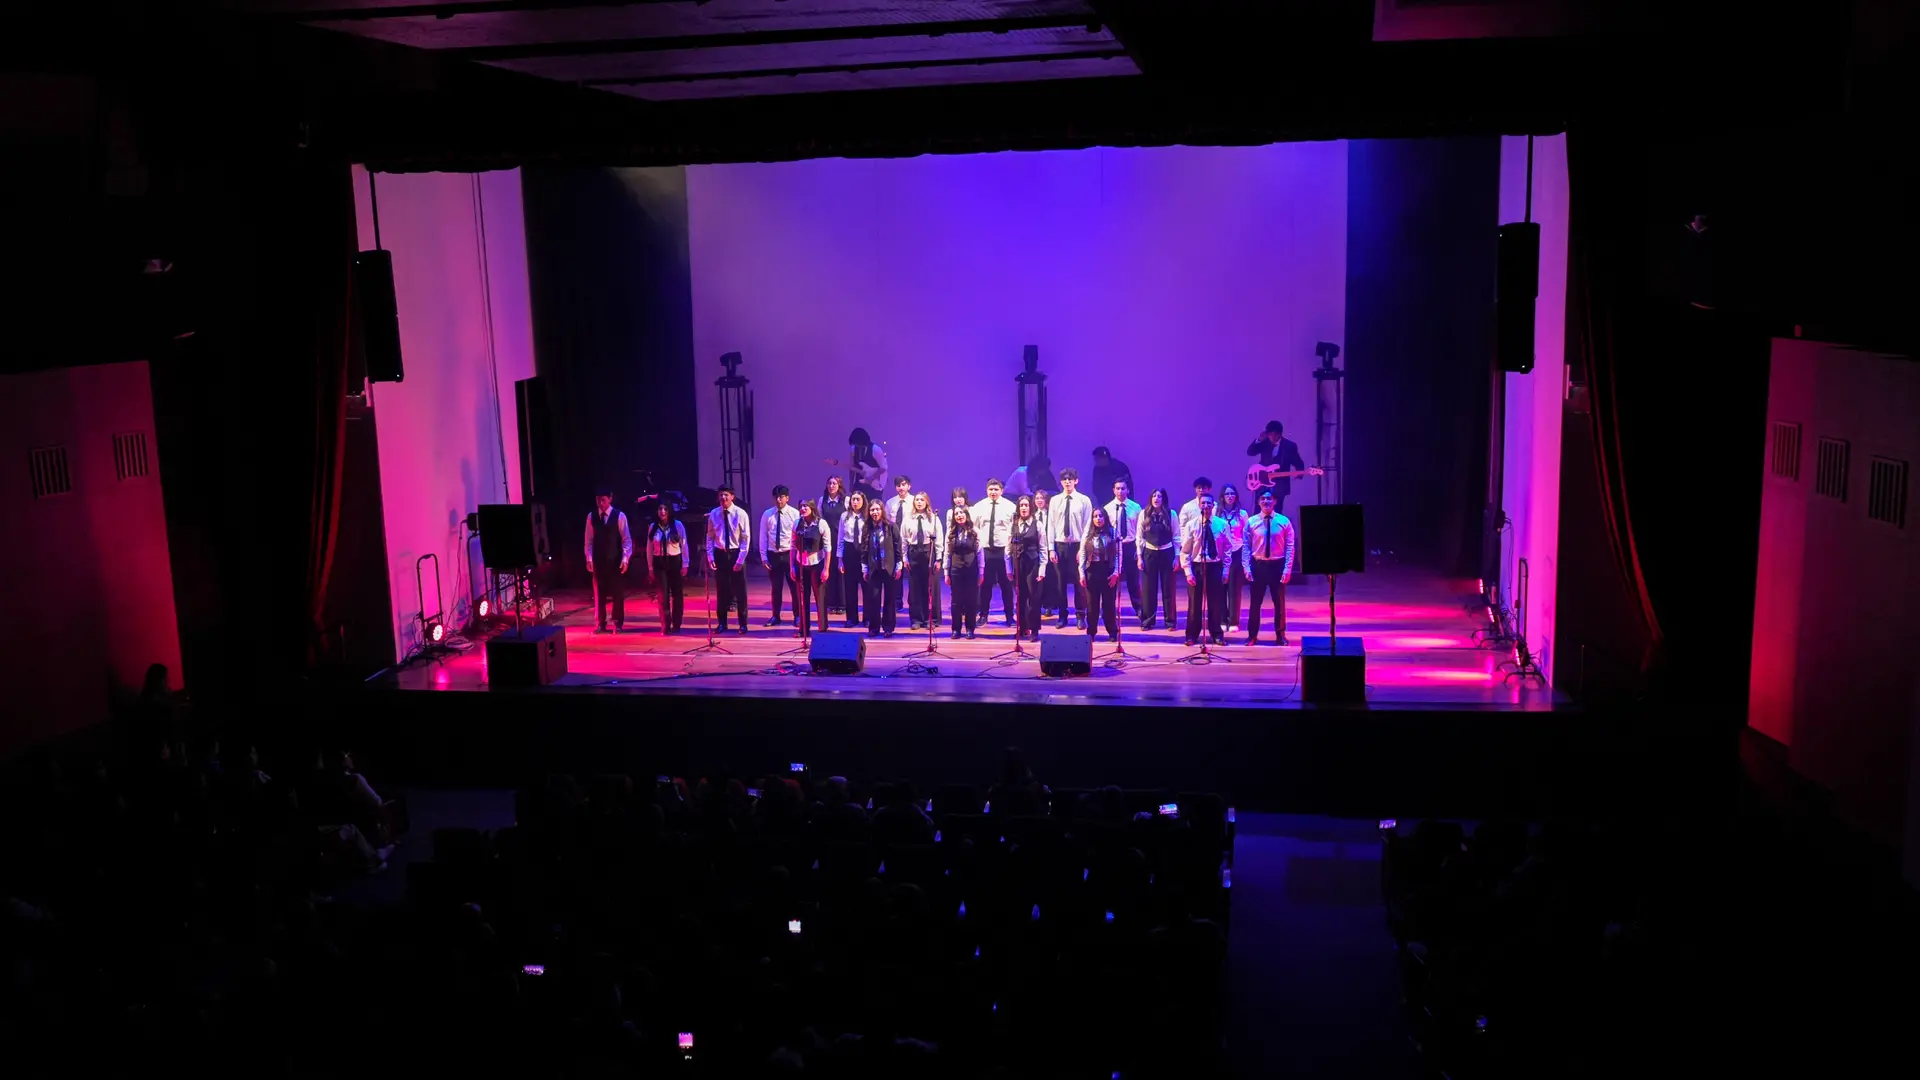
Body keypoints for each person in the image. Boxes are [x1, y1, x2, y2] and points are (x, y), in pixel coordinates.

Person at [1245, 487, 1297, 645]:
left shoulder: (1284, 521)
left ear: (1274, 501)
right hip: (1258, 565)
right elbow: (1246, 547)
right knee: (1255, 603)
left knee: (1279, 603)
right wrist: (1246, 568)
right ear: (1258, 502)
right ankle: (1252, 635)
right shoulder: (1251, 522)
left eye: (1269, 499)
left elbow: (1290, 546)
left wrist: (1287, 569)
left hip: (1277, 565)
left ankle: (1280, 635)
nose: (1266, 501)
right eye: (1263, 499)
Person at [1180, 492, 1232, 646]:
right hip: (1197, 566)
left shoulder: (1221, 524)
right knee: (1194, 604)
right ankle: (1192, 635)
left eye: (1209, 504)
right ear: (1199, 505)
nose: (1206, 506)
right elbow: (1185, 551)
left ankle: (1216, 634)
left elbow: (1228, 549)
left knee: (1215, 603)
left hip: (1215, 566)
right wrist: (1188, 572)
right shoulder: (1192, 525)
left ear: (1213, 505)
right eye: (1203, 504)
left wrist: (1226, 570)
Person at [1047, 468, 1093, 629]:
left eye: (1070, 479)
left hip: (1077, 545)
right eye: (1064, 479)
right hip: (1060, 545)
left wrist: (1083, 548)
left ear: (1076, 481)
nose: (1067, 482)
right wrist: (1051, 548)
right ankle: (1062, 615)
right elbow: (1051, 525)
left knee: (1079, 582)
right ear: (1061, 482)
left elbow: (1088, 526)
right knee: (1060, 583)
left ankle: (1081, 615)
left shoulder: (1084, 500)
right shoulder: (1055, 500)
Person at [584, 486, 633, 634]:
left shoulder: (619, 516)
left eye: (603, 500)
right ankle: (601, 623)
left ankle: (617, 622)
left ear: (610, 499)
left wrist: (625, 559)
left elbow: (626, 540)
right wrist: (589, 558)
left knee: (617, 593)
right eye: (598, 500)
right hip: (599, 561)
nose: (600, 503)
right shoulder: (591, 516)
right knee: (599, 592)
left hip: (615, 560)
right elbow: (589, 540)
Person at [706, 486, 753, 634]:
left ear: (732, 496)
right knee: (721, 591)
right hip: (720, 554)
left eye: (726, 495)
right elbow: (709, 536)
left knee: (740, 591)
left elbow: (746, 539)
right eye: (720, 495)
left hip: (735, 554)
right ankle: (722, 623)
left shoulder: (740, 514)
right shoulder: (714, 514)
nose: (723, 498)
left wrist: (740, 560)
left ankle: (743, 624)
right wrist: (710, 556)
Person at [971, 478, 1017, 626]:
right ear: (987, 490)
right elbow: (974, 527)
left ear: (1001, 491)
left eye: (996, 489)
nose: (993, 492)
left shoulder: (1010, 507)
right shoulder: (979, 507)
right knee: (985, 585)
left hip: (1003, 551)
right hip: (986, 551)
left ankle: (1009, 616)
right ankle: (983, 615)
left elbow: (1013, 528)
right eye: (991, 489)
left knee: (1006, 585)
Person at [856, 498, 903, 637]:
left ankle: (888, 627)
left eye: (877, 509)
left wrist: (899, 566)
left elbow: (897, 547)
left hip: (889, 567)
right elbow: (864, 549)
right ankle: (874, 627)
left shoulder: (891, 526)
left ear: (882, 510)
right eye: (872, 510)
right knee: (873, 598)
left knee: (889, 598)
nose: (875, 512)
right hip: (874, 568)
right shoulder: (866, 527)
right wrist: (864, 568)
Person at [1136, 488, 1180, 632]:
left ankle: (1170, 621)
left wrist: (1177, 556)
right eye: (1154, 495)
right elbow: (1139, 537)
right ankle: (1147, 620)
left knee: (1168, 589)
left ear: (1163, 499)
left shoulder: (1171, 514)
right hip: (1149, 553)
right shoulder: (1144, 514)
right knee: (1148, 589)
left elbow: (1177, 537)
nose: (1156, 498)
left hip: (1167, 553)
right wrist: (1140, 557)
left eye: (1159, 496)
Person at [901, 491, 945, 631]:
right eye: (917, 500)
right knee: (915, 588)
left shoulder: (933, 518)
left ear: (927, 502)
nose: (919, 502)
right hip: (914, 554)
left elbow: (939, 540)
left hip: (929, 553)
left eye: (922, 500)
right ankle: (916, 619)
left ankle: (930, 618)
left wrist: (938, 559)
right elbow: (903, 540)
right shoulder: (908, 519)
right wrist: (904, 558)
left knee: (929, 588)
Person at [759, 485, 802, 627]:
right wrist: (764, 556)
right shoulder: (767, 514)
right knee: (776, 588)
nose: (778, 500)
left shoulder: (795, 514)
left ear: (787, 498)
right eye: (776, 497)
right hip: (773, 555)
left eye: (781, 497)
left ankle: (797, 616)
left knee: (794, 588)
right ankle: (775, 616)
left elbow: (798, 536)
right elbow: (763, 536)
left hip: (789, 554)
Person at [789, 499, 833, 637]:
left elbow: (827, 547)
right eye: (801, 506)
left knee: (820, 597)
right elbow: (792, 547)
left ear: (812, 508)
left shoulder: (821, 523)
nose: (803, 508)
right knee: (802, 598)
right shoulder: (797, 524)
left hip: (816, 563)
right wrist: (792, 567)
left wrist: (826, 568)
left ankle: (822, 629)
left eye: (805, 506)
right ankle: (803, 629)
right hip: (801, 564)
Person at [644, 501, 688, 634]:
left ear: (669, 511)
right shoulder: (653, 526)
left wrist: (685, 564)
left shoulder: (678, 525)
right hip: (659, 563)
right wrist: (650, 568)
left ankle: (677, 624)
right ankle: (665, 624)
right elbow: (649, 548)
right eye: (660, 509)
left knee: (677, 595)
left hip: (674, 561)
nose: (662, 512)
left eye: (665, 509)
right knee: (662, 596)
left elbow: (684, 545)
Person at [1247, 420, 1311, 513]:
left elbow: (1298, 462)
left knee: (1276, 511)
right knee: (1259, 510)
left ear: (1278, 434)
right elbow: (1250, 452)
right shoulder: (1264, 443)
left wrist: (1299, 473)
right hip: (1262, 483)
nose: (1269, 437)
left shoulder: (1289, 446)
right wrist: (1259, 440)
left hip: (1279, 485)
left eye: (1271, 434)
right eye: (1268, 434)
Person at [1078, 506, 1122, 641]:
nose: (1098, 519)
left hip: (1108, 571)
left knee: (1109, 604)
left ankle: (1112, 632)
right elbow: (1083, 554)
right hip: (1092, 570)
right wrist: (1081, 574)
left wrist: (1116, 572)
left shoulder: (1113, 533)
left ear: (1105, 518)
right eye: (1095, 516)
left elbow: (1118, 553)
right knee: (1092, 605)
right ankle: (1091, 632)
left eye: (1100, 516)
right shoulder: (1087, 534)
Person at [1104, 479, 1143, 624]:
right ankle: (1110, 609)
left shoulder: (1135, 507)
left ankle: (1138, 607)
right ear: (1113, 490)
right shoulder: (1108, 508)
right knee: (1113, 578)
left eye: (1123, 488)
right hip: (1115, 546)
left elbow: (1140, 530)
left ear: (1128, 490)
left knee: (1133, 579)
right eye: (1117, 488)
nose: (1120, 491)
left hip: (1130, 545)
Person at [1009, 495, 1045, 642]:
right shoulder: (1013, 523)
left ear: (1031, 507)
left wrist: (1042, 569)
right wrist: (1008, 568)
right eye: (1021, 505)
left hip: (1033, 564)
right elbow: (1008, 547)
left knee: (1034, 598)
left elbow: (1043, 547)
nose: (1024, 508)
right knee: (1020, 597)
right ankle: (1022, 628)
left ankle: (1035, 629)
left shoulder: (1038, 524)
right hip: (1018, 564)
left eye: (1026, 505)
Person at [944, 505, 983, 639]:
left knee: (971, 600)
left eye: (962, 513)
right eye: (957, 514)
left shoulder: (975, 531)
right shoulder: (951, 532)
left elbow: (980, 552)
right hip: (955, 569)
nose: (959, 515)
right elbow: (947, 553)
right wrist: (946, 572)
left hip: (971, 569)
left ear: (967, 515)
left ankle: (970, 629)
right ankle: (956, 629)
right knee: (956, 601)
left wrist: (982, 572)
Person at [1216, 483, 1251, 634]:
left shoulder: (1242, 514)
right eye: (1227, 494)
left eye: (1232, 494)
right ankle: (1222, 619)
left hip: (1236, 551)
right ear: (1223, 497)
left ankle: (1234, 620)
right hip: (1221, 553)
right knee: (1221, 587)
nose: (1230, 496)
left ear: (1236, 496)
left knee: (1234, 588)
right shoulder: (1216, 512)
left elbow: (1246, 536)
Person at [820, 475, 851, 615]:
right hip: (827, 539)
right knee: (830, 571)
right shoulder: (822, 500)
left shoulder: (846, 501)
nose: (831, 486)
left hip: (841, 538)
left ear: (839, 486)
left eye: (834, 483)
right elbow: (820, 519)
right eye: (829, 483)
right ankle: (831, 603)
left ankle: (843, 604)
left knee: (841, 571)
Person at [836, 491, 867, 628]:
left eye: (858, 500)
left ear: (863, 501)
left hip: (864, 552)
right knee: (850, 587)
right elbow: (841, 538)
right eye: (853, 499)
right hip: (849, 552)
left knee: (867, 587)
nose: (855, 502)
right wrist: (840, 559)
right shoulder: (844, 516)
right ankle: (852, 618)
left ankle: (868, 618)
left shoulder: (867, 516)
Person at [885, 475, 915, 614]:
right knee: (896, 573)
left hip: (910, 541)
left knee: (912, 573)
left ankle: (912, 601)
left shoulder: (915, 501)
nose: (901, 488)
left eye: (903, 484)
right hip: (894, 541)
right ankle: (897, 601)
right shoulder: (891, 503)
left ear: (909, 486)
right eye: (898, 485)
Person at [841, 427, 890, 504]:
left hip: (874, 485)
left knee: (873, 506)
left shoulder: (875, 449)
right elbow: (852, 467)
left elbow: (883, 468)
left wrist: (872, 478)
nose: (856, 445)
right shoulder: (853, 449)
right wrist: (851, 483)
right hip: (859, 483)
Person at [1033, 489, 1061, 618]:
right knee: (1037, 578)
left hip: (1048, 549)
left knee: (1050, 578)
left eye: (1041, 498)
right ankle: (1037, 604)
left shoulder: (1050, 514)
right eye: (1037, 498)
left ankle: (1049, 605)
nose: (1039, 500)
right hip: (1035, 550)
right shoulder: (1032, 514)